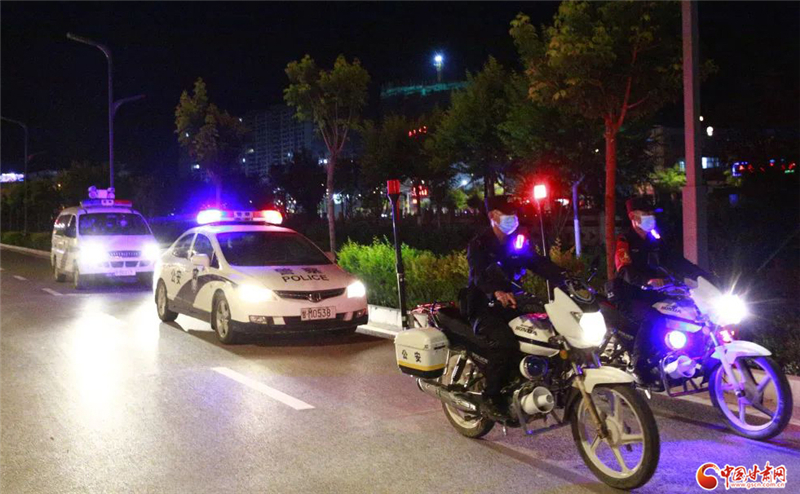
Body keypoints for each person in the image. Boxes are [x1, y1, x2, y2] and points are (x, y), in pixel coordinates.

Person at [465, 195, 565, 418]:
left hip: (511, 303)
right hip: (483, 305)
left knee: (546, 334)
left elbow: (536, 262)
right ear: (493, 216)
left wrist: (564, 278)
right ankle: (491, 398)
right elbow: (478, 275)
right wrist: (496, 291)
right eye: (507, 214)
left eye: (514, 214)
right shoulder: (479, 244)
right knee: (505, 342)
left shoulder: (516, 241)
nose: (513, 218)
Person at [612, 196, 714, 379]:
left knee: (686, 310)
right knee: (654, 317)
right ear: (633, 216)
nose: (650, 217)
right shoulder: (624, 240)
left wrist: (702, 275)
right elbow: (624, 269)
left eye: (651, 213)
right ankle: (639, 366)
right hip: (629, 294)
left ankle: (686, 356)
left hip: (653, 293)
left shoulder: (655, 241)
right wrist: (646, 281)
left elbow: (676, 261)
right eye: (645, 213)